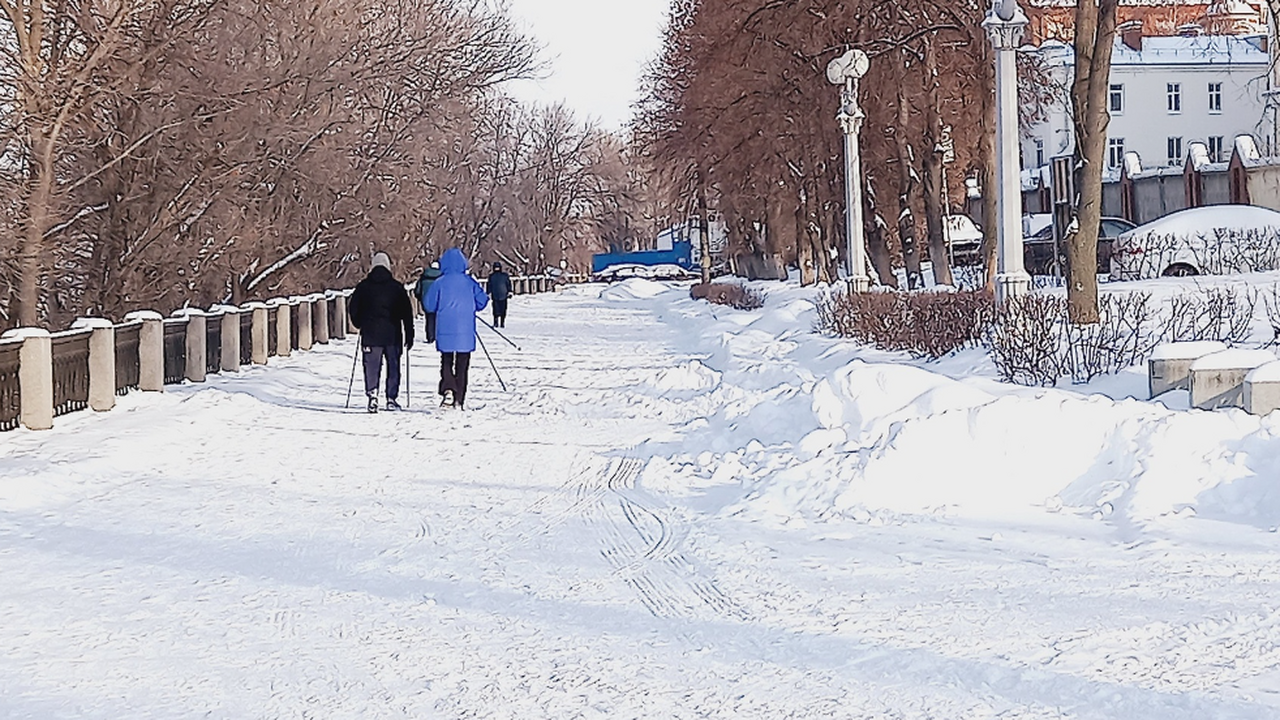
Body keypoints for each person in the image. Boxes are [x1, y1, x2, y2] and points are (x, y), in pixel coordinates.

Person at [347, 251, 414, 413]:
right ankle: (391, 398)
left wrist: (359, 324)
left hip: (370, 334)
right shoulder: (397, 288)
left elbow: (353, 308)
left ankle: (372, 395)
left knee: (371, 366)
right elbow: (407, 312)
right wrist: (409, 333)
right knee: (393, 366)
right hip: (392, 334)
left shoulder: (363, 287)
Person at [425, 248, 488, 410]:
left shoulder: (439, 283)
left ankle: (448, 389)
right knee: (463, 364)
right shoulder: (469, 282)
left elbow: (429, 305)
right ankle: (459, 398)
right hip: (465, 330)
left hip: (445, 329)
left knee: (446, 360)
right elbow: (482, 302)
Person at [414, 261, 443, 343]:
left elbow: (417, 290)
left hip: (427, 301)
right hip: (439, 302)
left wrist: (420, 298)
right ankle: (438, 335)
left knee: (429, 318)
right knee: (438, 319)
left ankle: (430, 336)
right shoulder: (442, 277)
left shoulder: (424, 276)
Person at [486, 261, 512, 328]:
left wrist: (488, 293)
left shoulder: (491, 276)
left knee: (495, 309)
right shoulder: (505, 276)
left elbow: (489, 285)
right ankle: (502, 323)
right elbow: (508, 284)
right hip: (503, 295)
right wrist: (509, 291)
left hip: (495, 295)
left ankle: (496, 322)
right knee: (503, 309)